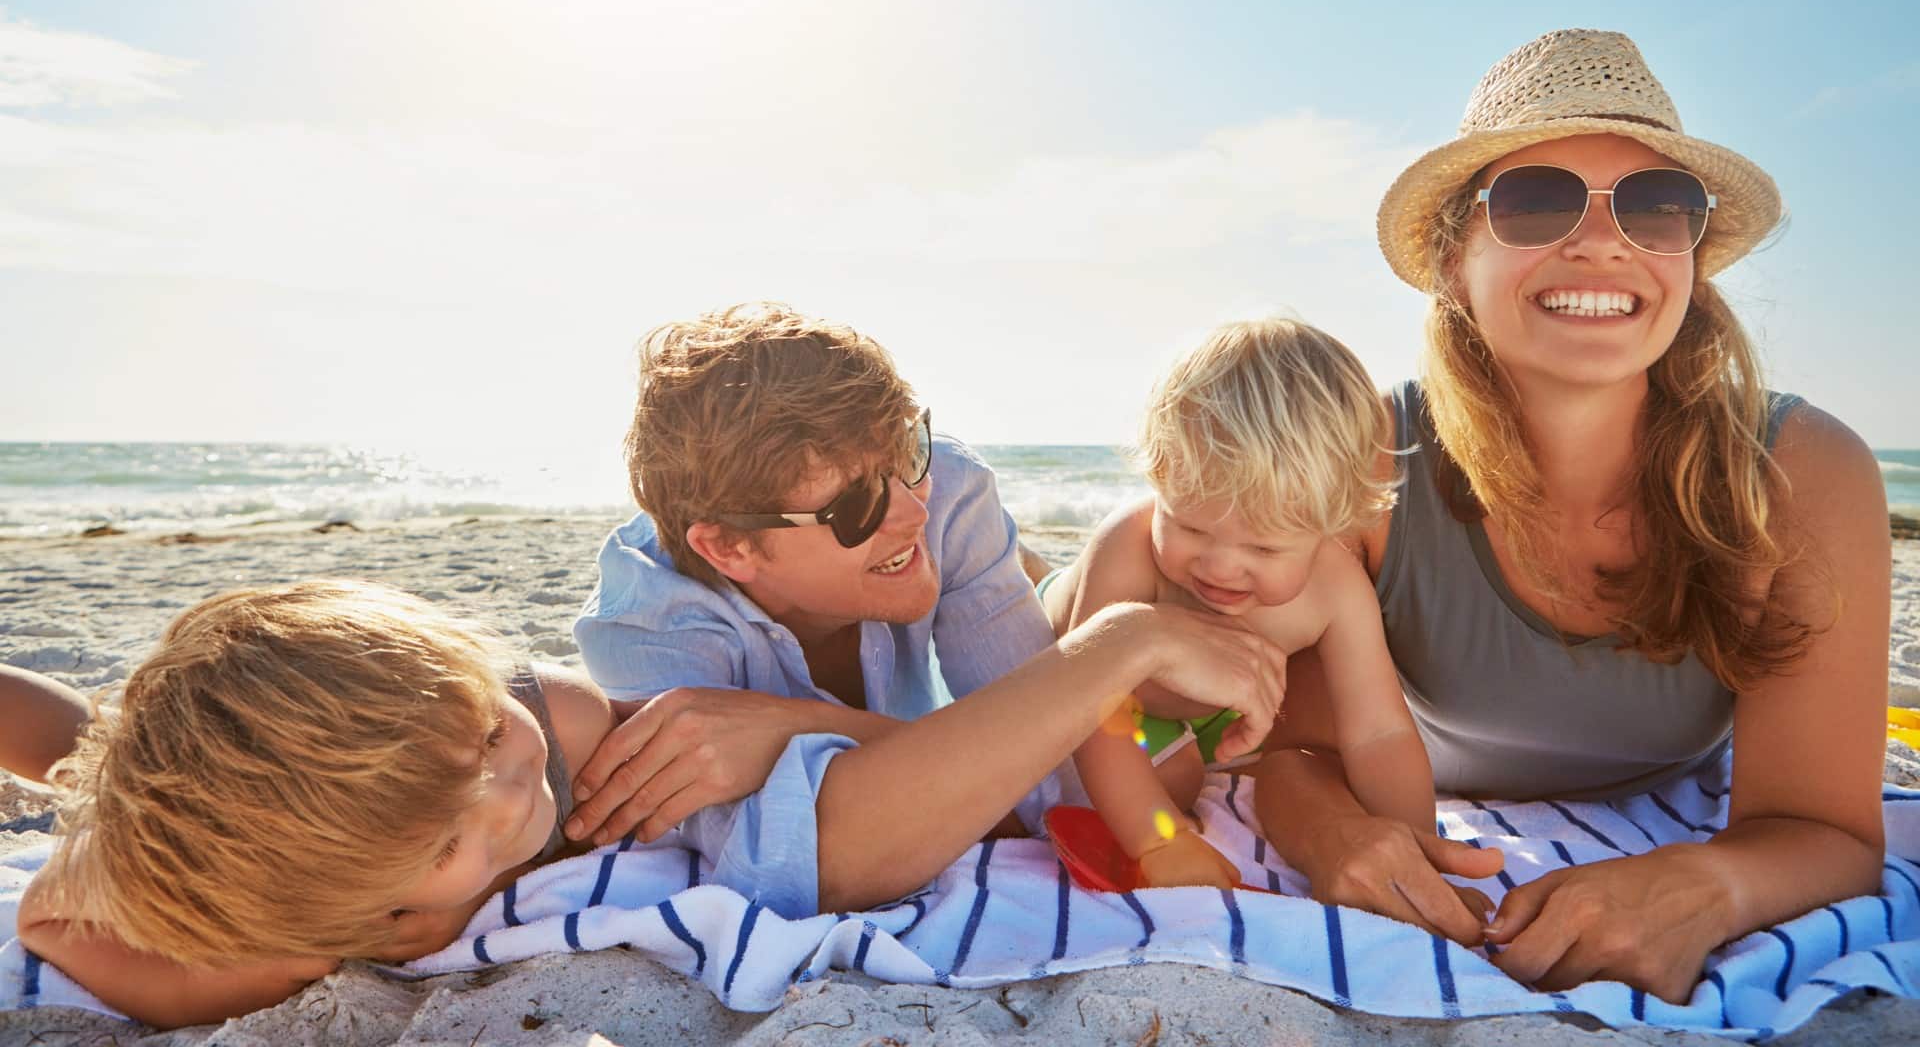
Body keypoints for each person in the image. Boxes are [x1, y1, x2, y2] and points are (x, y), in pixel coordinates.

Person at [1251, 29, 1890, 1003]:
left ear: (1689, 258)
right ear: (1452, 257)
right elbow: (1295, 753)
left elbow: (1830, 832)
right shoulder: (1367, 456)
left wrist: (1701, 882)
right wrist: (1338, 835)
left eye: (1656, 206)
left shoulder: (1804, 471)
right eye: (1537, 200)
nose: (1602, 240)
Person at [567, 302, 1288, 918]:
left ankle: (1047, 583)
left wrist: (1127, 637)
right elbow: (813, 867)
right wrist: (1110, 655)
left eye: (906, 452)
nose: (913, 510)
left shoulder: (949, 490)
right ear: (728, 548)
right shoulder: (648, 628)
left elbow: (1073, 781)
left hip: (996, 654)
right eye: (856, 506)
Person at [9, 580, 617, 1028]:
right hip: (206, 819)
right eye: (446, 844)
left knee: (99, 732)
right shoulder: (295, 903)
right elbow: (45, 916)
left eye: (489, 736)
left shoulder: (561, 721)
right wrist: (261, 974)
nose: (512, 798)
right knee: (89, 760)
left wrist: (492, 881)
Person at [1042, 317, 1438, 892]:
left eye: (1264, 546)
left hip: (1199, 711)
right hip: (1068, 670)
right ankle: (1035, 569)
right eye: (1190, 528)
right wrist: (1161, 839)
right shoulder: (1129, 546)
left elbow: (1379, 733)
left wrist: (1417, 847)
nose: (1221, 567)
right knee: (1171, 782)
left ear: (1336, 522)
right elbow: (1094, 709)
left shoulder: (1336, 587)